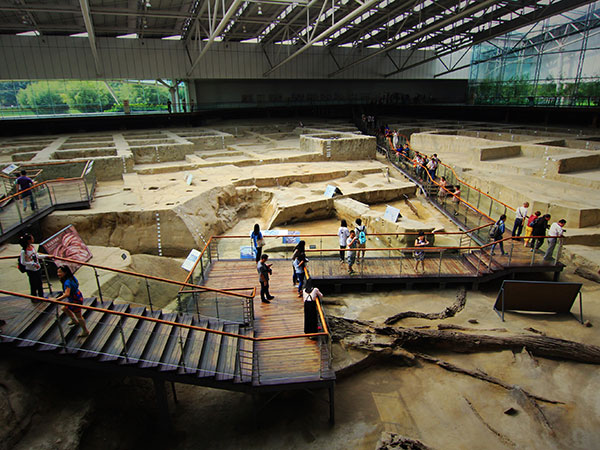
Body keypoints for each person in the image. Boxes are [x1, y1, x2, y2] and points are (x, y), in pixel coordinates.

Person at [56, 265, 90, 338]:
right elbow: (77, 284)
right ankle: (74, 320)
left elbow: (67, 294)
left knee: (79, 316)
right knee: (64, 308)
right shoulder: (72, 277)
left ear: (65, 273)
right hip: (77, 295)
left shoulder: (67, 282)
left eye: (60, 272)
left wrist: (57, 299)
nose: (58, 274)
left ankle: (85, 331)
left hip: (75, 299)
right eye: (58, 272)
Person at [19, 233, 44, 302]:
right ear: (28, 240)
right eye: (31, 238)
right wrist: (32, 264)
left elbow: (36, 256)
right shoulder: (24, 251)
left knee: (39, 283)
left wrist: (47, 256)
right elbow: (23, 262)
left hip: (37, 268)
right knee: (33, 284)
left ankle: (41, 297)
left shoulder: (32, 247)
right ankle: (34, 298)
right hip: (31, 270)